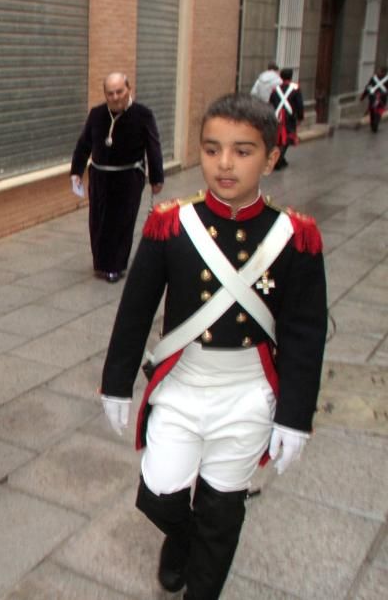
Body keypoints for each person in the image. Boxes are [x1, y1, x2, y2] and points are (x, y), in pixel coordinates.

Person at [100, 93, 326, 599]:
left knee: (223, 511)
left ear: (271, 157)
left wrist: (294, 414)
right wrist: (116, 384)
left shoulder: (294, 236)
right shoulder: (171, 223)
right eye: (211, 148)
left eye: (243, 151)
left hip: (247, 392)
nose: (224, 164)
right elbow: (135, 311)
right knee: (159, 495)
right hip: (182, 383)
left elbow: (304, 333)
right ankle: (181, 539)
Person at [71, 72, 165, 283]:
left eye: (119, 91)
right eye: (110, 93)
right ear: (105, 94)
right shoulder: (97, 114)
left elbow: (153, 146)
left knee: (121, 221)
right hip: (100, 177)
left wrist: (156, 177)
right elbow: (84, 144)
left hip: (128, 178)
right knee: (98, 221)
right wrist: (76, 171)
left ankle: (115, 266)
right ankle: (101, 263)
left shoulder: (143, 115)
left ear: (128, 89)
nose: (115, 97)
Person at [268, 68, 304, 170]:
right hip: (289, 117)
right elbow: (299, 104)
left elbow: (270, 103)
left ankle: (280, 159)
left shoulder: (275, 89)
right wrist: (300, 117)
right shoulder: (295, 89)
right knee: (286, 139)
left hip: (276, 117)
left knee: (278, 139)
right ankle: (278, 160)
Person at [359, 65, 388, 133]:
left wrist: (363, 97)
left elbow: (368, 87)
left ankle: (374, 124)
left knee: (374, 111)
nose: (377, 71)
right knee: (378, 111)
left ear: (382, 72)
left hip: (374, 98)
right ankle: (375, 124)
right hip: (381, 98)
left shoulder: (373, 78)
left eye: (379, 70)